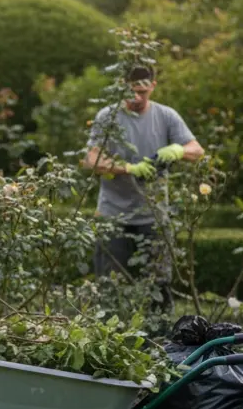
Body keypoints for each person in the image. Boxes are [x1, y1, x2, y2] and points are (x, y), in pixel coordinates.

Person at [83, 66, 203, 305]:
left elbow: (197, 150)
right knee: (110, 286)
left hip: (154, 217)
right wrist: (127, 168)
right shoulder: (108, 116)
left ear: (153, 86)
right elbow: (91, 158)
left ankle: (158, 338)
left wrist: (178, 150)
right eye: (132, 91)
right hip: (113, 217)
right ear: (123, 85)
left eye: (143, 91)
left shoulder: (166, 116)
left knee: (159, 286)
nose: (137, 97)